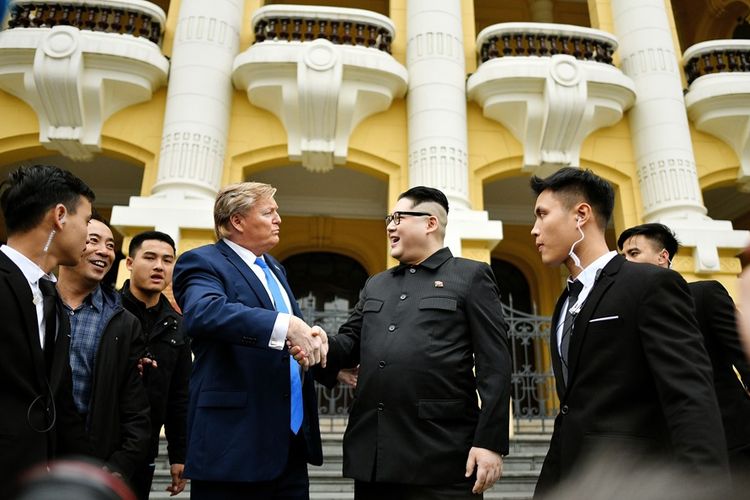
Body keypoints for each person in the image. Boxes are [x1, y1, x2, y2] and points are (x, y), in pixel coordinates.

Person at [529, 167, 728, 496]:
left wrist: (707, 487)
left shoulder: (649, 285)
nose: (535, 230)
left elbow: (689, 395)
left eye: (542, 215)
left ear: (581, 215)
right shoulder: (564, 302)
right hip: (570, 479)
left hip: (636, 479)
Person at [309, 186, 512, 499]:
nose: (389, 226)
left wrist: (490, 442)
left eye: (398, 217)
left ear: (430, 223)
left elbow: (495, 365)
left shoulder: (470, 277)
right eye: (389, 219)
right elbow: (349, 342)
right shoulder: (376, 284)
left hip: (441, 456)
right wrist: (319, 343)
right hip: (375, 457)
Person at [172, 182, 328, 499]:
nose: (278, 219)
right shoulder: (202, 262)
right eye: (269, 212)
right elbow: (204, 312)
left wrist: (314, 340)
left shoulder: (275, 268)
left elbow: (288, 338)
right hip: (233, 446)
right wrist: (285, 325)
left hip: (290, 444)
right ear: (237, 221)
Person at [618, 223, 750, 475]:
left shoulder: (704, 295)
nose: (626, 262)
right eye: (623, 256)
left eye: (633, 253)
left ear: (662, 257)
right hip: (664, 453)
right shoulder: (627, 313)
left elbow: (743, 355)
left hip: (730, 439)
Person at [0, 164, 94, 496]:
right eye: (86, 221)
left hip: (37, 479)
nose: (88, 234)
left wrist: (88, 474)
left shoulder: (53, 299)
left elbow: (59, 401)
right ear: (59, 216)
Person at [56, 216, 151, 482]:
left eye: (110, 245)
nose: (104, 251)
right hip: (31, 455)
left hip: (93, 463)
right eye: (93, 241)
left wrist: (119, 464)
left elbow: (134, 404)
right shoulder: (37, 303)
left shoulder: (123, 322)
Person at [120, 231, 190, 498]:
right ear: (129, 263)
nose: (159, 266)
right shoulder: (107, 310)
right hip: (101, 443)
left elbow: (179, 396)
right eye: (150, 257)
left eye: (167, 260)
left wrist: (178, 456)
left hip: (145, 448)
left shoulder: (178, 325)